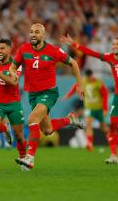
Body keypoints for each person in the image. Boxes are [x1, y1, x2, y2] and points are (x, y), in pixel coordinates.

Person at [61, 34, 118, 164]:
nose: (115, 46)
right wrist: (74, 44)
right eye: (114, 44)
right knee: (113, 126)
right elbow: (92, 53)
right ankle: (114, 156)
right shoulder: (109, 58)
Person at [10, 23, 84, 170]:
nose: (33, 35)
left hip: (49, 93)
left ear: (43, 36)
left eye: (37, 32)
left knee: (32, 119)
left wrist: (79, 85)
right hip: (33, 94)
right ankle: (70, 119)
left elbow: (73, 63)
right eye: (31, 32)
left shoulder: (53, 51)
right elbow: (13, 66)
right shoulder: (24, 49)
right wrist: (13, 74)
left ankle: (29, 158)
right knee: (47, 129)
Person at [0, 39, 27, 168]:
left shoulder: (16, 64)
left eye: (2, 48)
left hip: (14, 103)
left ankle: (24, 159)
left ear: (9, 49)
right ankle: (5, 129)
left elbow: (13, 82)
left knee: (19, 136)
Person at [65, 69, 109, 151]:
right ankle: (89, 144)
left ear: (92, 75)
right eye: (87, 77)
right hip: (89, 108)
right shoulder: (83, 81)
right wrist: (68, 95)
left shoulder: (98, 83)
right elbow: (75, 87)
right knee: (88, 124)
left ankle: (111, 138)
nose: (88, 78)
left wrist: (105, 108)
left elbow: (105, 94)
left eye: (89, 76)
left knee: (103, 127)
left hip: (98, 108)